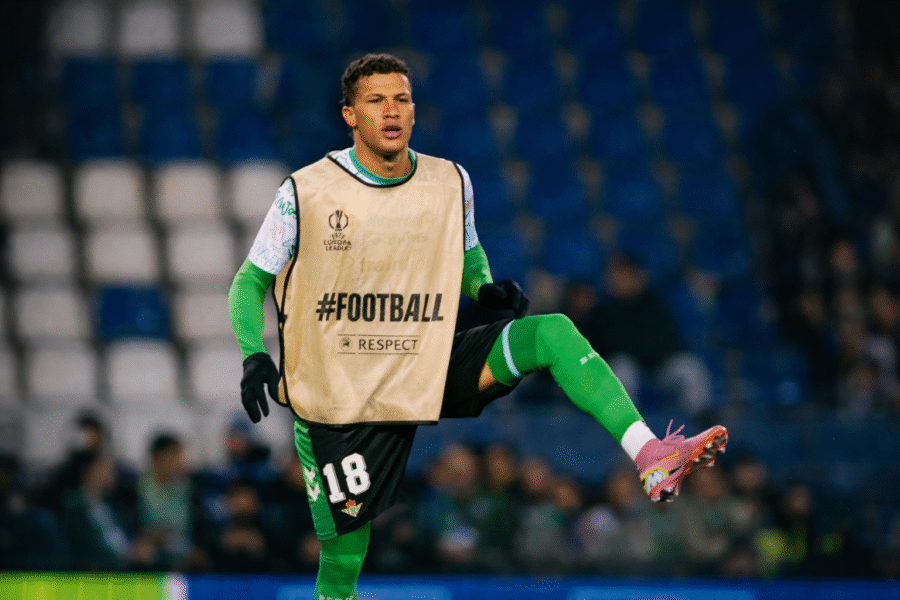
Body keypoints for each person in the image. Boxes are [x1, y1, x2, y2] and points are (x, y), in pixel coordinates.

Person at [228, 53, 728, 599]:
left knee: (552, 332)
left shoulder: (450, 182)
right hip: (341, 394)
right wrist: (254, 353)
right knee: (344, 559)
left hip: (422, 360)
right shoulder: (306, 192)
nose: (392, 111)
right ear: (350, 115)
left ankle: (651, 455)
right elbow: (248, 283)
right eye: (376, 101)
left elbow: (468, 257)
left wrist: (484, 288)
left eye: (402, 99)